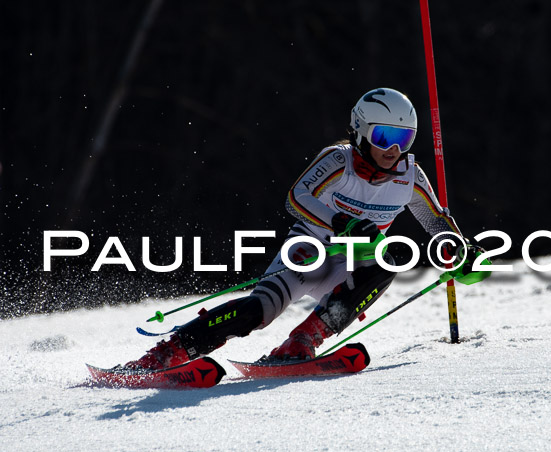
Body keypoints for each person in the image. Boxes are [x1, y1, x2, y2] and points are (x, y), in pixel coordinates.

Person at [125, 88, 479, 370]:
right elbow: (296, 198)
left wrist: (460, 250)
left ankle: (302, 340)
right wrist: (344, 222)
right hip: (308, 253)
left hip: (349, 267)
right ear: (361, 131)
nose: (393, 149)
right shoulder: (339, 161)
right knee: (258, 312)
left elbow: (435, 220)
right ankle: (166, 353)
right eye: (384, 136)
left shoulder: (410, 177)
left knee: (385, 260)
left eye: (404, 138)